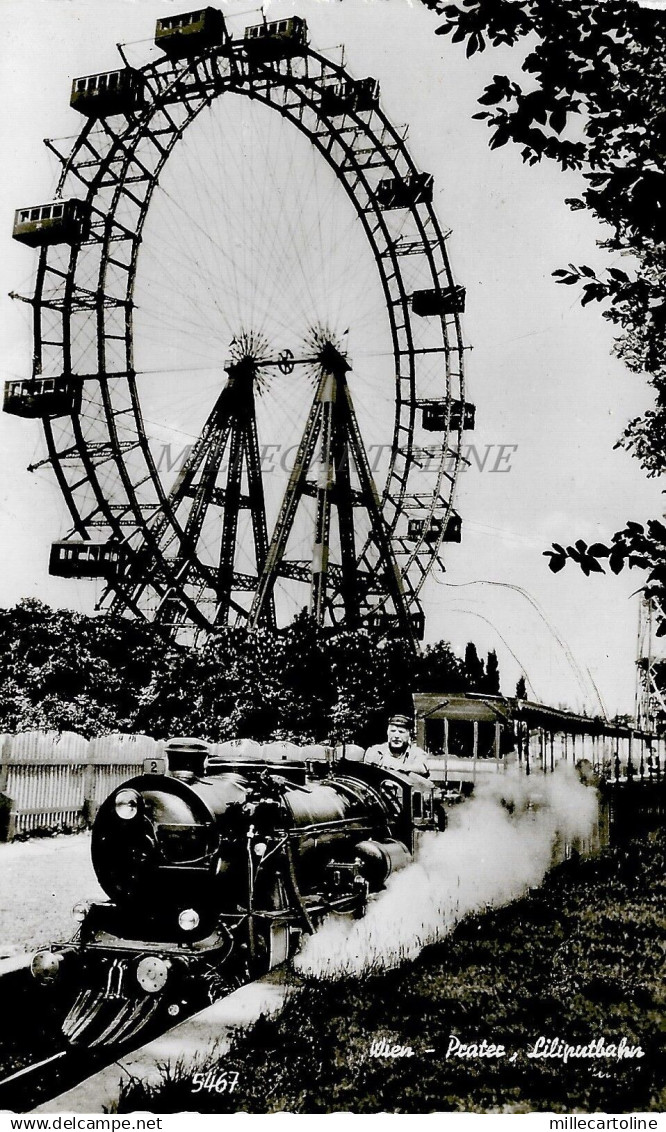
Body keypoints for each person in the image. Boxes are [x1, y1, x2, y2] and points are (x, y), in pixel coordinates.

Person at [363, 714, 430, 777]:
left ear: (409, 734)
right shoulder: (375, 751)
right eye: (393, 731)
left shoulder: (417, 753)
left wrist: (393, 766)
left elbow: (422, 769)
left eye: (401, 732)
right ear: (387, 732)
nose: (396, 736)